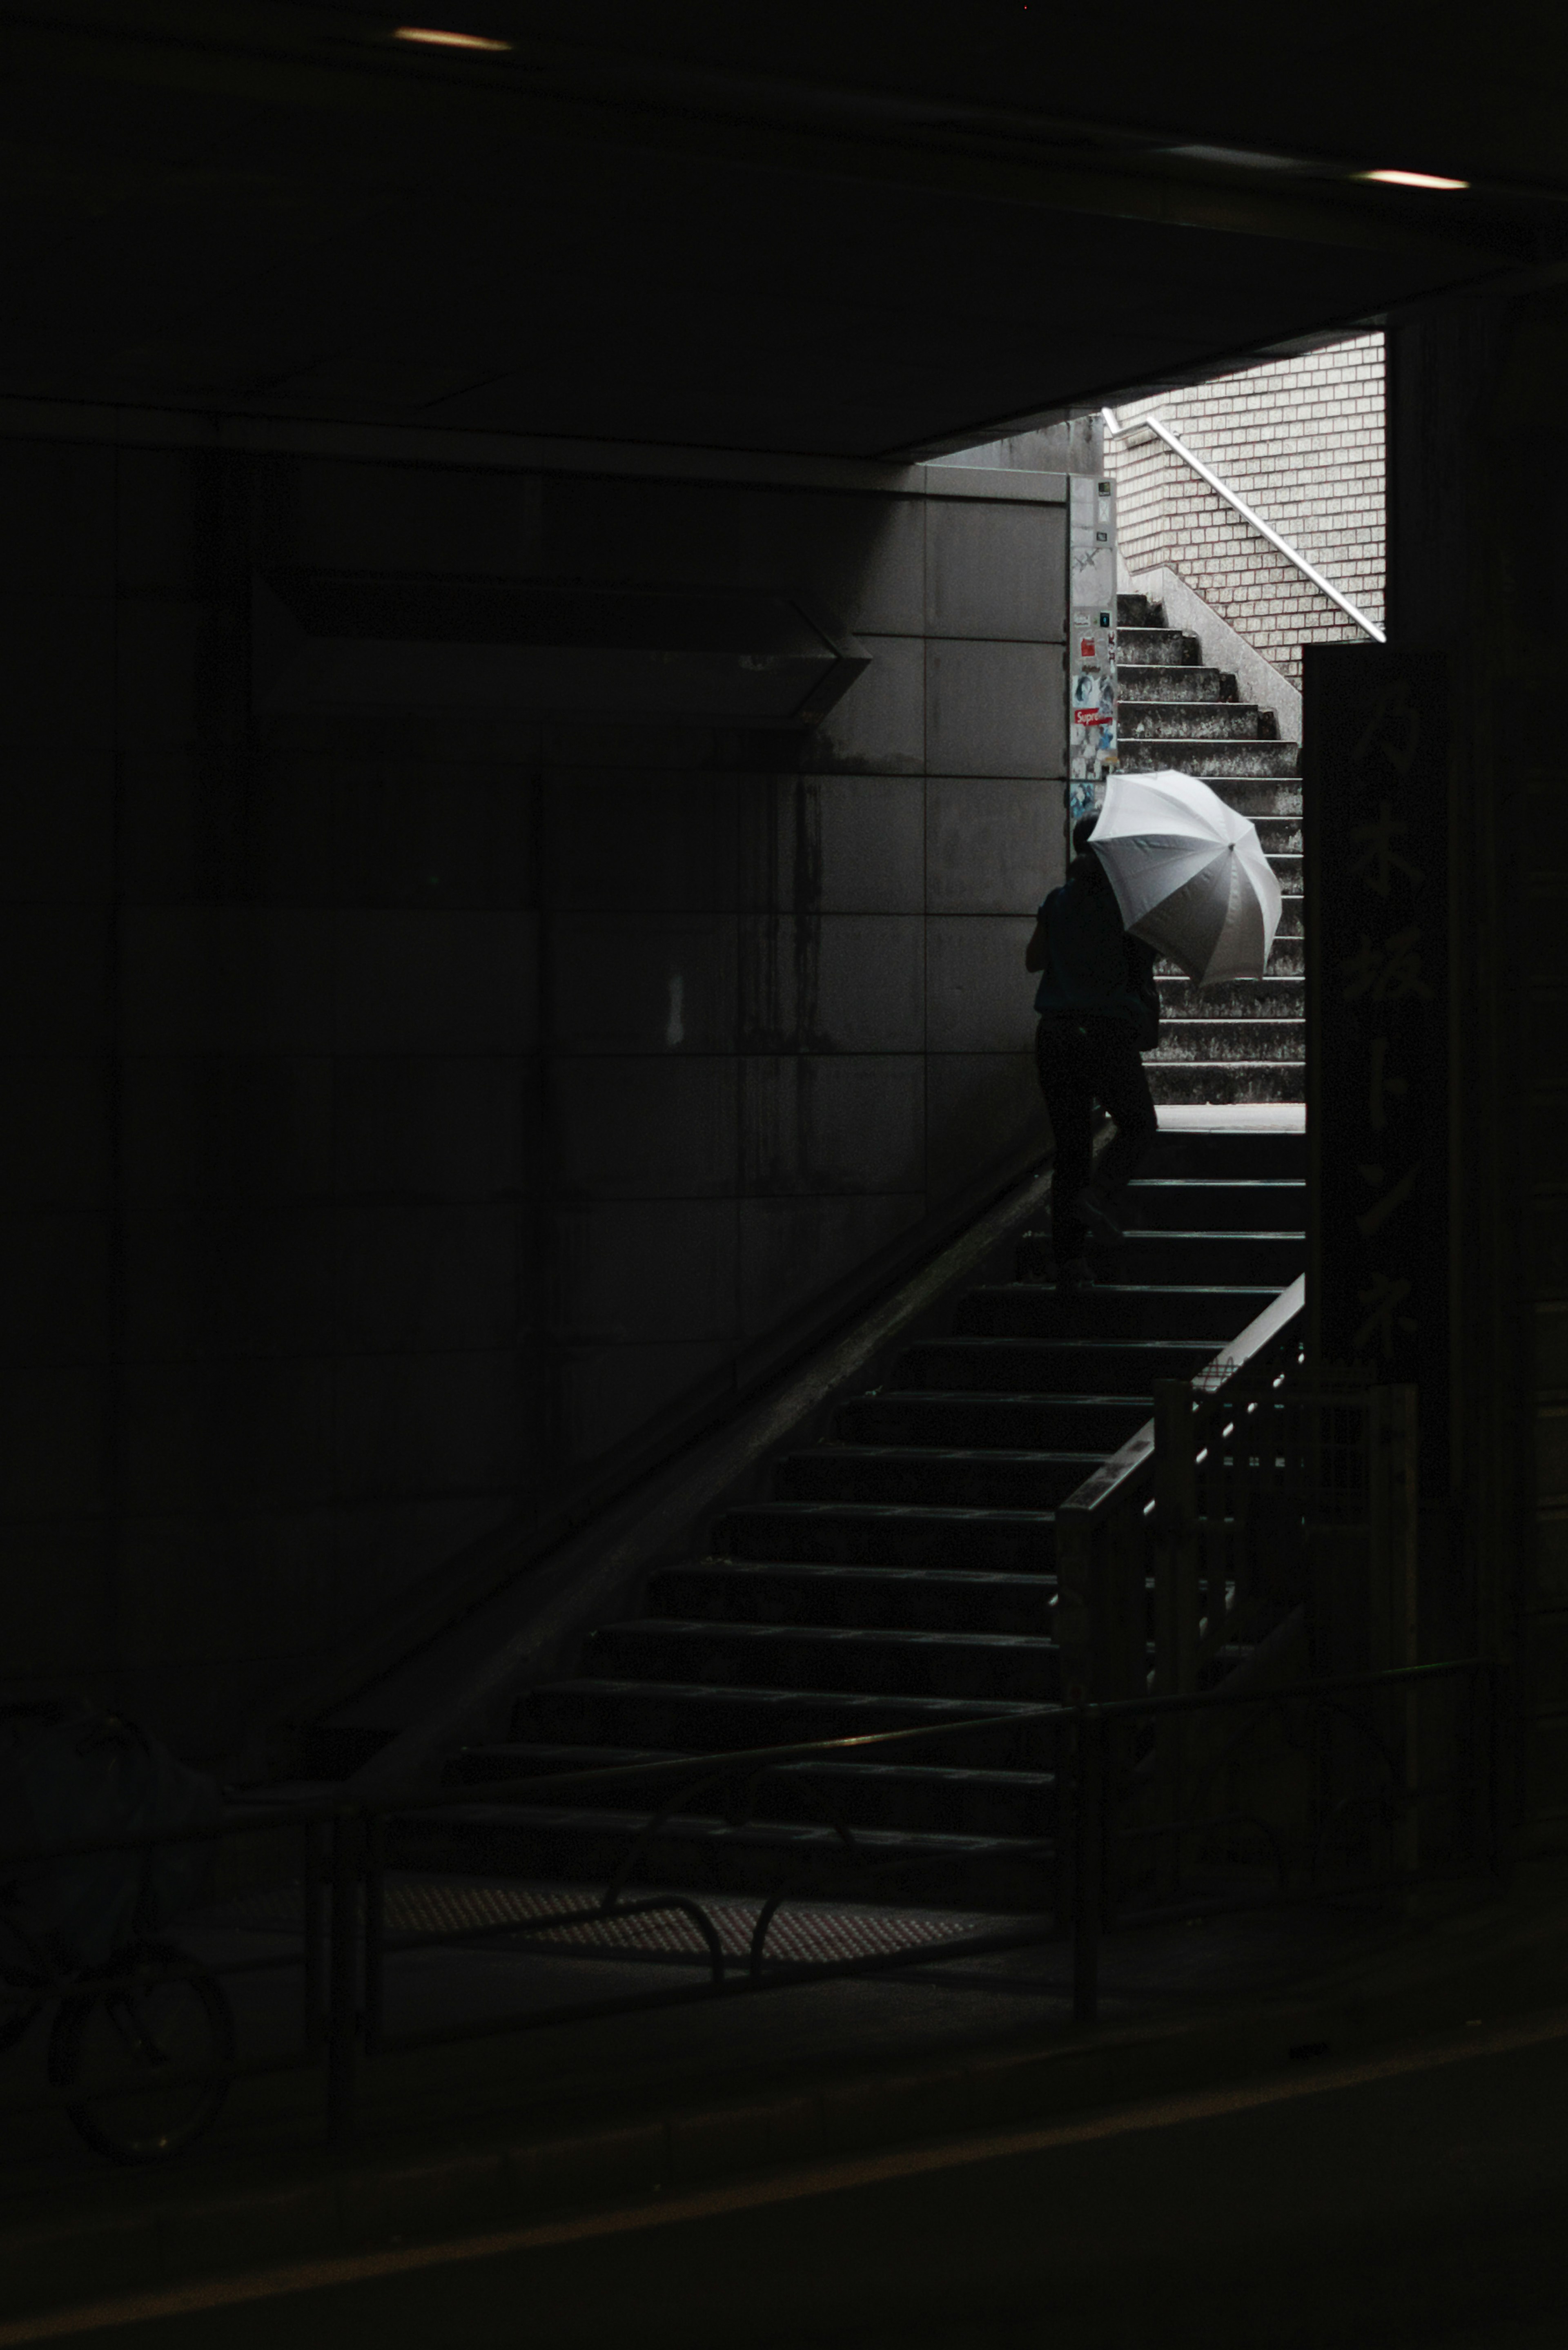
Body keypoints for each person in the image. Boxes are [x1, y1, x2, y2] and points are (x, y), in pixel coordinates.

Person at [1025, 813, 1159, 1295]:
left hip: (1058, 1034)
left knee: (1072, 1148)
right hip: (1105, 1032)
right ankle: (1098, 1196)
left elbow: (1033, 960)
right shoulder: (1128, 908)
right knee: (1139, 1124)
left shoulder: (1057, 901)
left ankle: (1069, 1260)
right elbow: (1140, 968)